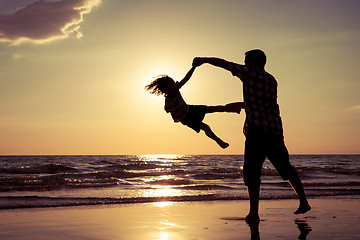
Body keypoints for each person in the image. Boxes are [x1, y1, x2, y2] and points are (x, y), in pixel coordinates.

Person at [193, 49, 311, 222]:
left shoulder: (248, 73)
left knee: (252, 173)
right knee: (286, 168)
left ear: (255, 61)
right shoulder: (272, 79)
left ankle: (254, 213)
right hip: (275, 130)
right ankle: (303, 201)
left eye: (247, 60)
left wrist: (204, 59)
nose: (245, 63)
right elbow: (266, 103)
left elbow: (224, 64)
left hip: (256, 131)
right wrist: (242, 105)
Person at [145, 66, 244, 149]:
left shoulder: (176, 89)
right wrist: (177, 114)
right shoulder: (169, 102)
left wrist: (194, 67)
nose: (174, 87)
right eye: (171, 86)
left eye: (173, 84)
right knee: (205, 127)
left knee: (214, 108)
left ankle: (235, 109)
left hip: (190, 109)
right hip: (187, 118)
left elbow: (186, 78)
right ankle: (219, 141)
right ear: (165, 91)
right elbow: (171, 112)